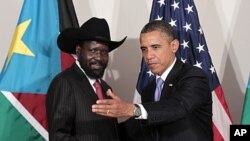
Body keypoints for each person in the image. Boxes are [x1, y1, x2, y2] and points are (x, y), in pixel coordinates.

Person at [92, 20, 213, 141]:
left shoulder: (193, 76)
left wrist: (130, 109)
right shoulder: (148, 90)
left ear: (174, 46)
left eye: (155, 47)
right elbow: (139, 128)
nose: (148, 56)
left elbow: (178, 107)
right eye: (144, 49)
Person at [46, 17, 126, 141]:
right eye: (93, 50)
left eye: (104, 52)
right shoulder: (64, 83)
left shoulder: (106, 88)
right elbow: (59, 137)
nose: (99, 57)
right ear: (78, 51)